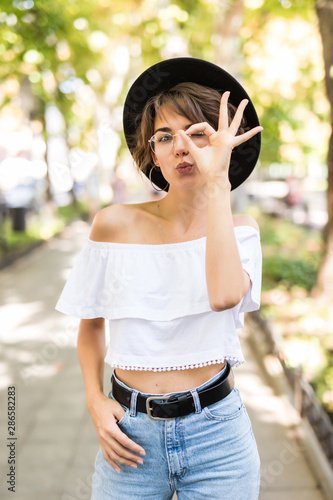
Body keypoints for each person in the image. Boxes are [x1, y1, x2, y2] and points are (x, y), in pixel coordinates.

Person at [55, 57, 263, 499]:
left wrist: (219, 186)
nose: (180, 147)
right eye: (165, 137)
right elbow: (90, 326)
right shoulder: (113, 225)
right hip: (129, 439)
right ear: (153, 154)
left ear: (220, 145)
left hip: (219, 440)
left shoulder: (241, 230)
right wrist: (94, 400)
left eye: (197, 134)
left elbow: (225, 294)